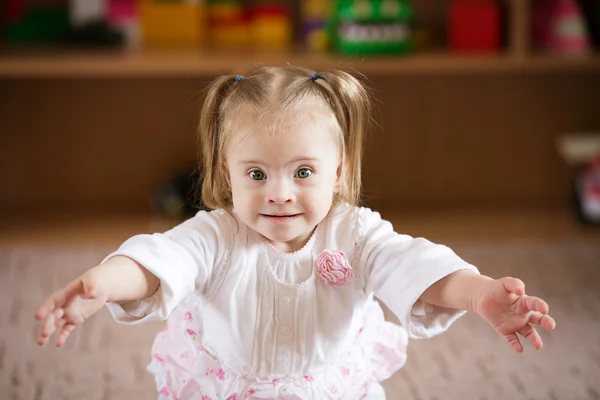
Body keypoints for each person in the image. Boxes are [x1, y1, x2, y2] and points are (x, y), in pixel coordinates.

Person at [35, 66, 556, 400]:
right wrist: (105, 283)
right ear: (226, 173)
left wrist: (480, 293)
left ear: (337, 170)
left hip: (326, 386)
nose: (279, 193)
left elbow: (417, 267)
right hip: (231, 386)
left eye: (302, 172)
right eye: (257, 174)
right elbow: (160, 260)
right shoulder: (217, 235)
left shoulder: (355, 234)